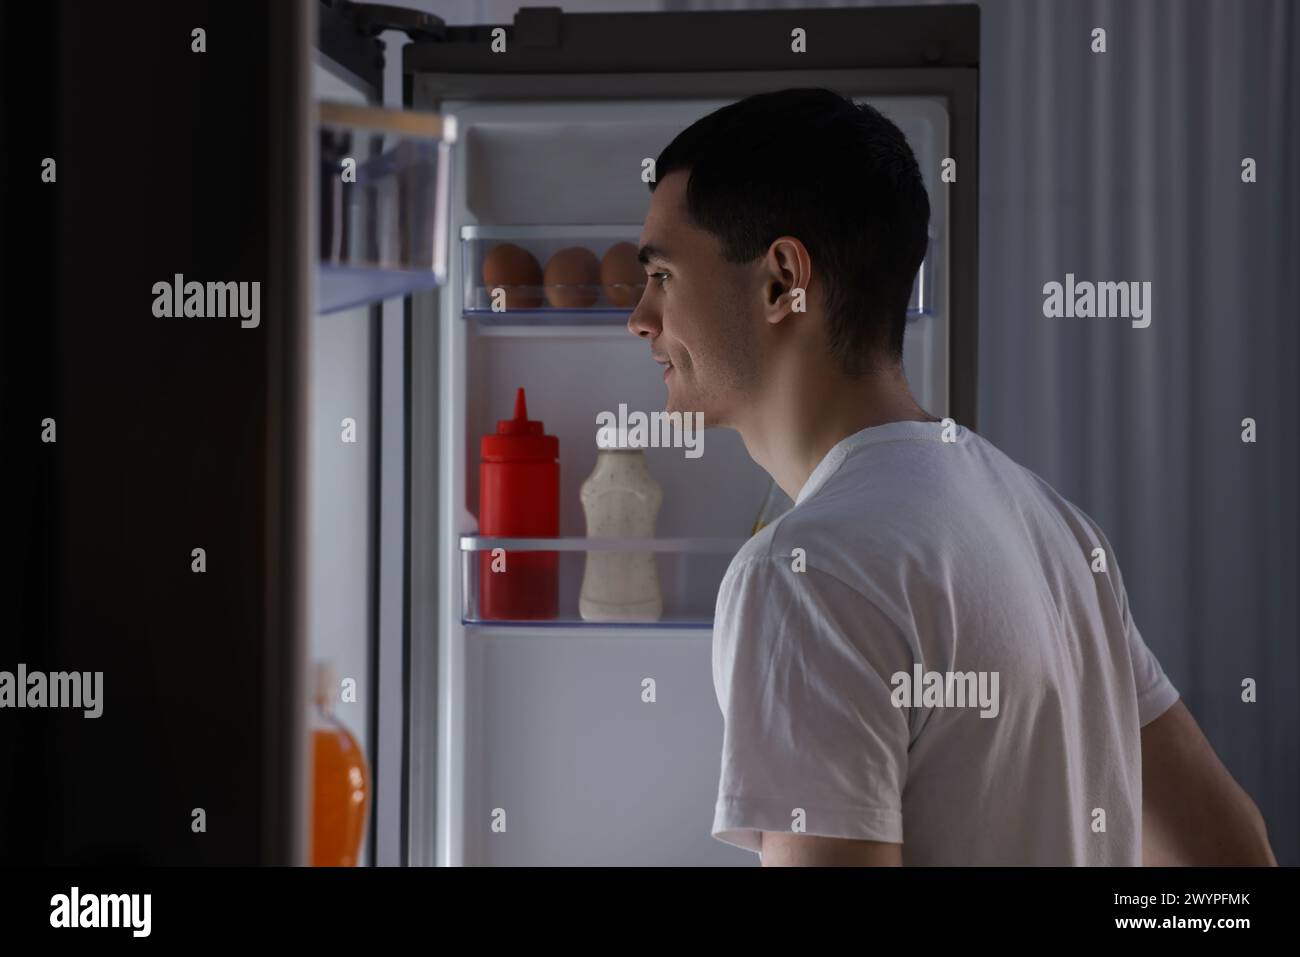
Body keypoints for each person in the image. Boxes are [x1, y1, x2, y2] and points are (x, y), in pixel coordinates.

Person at [627, 88, 1276, 867]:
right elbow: (1233, 862)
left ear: (782, 281)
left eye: (662, 275)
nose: (640, 317)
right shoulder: (1055, 528)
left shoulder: (805, 573)